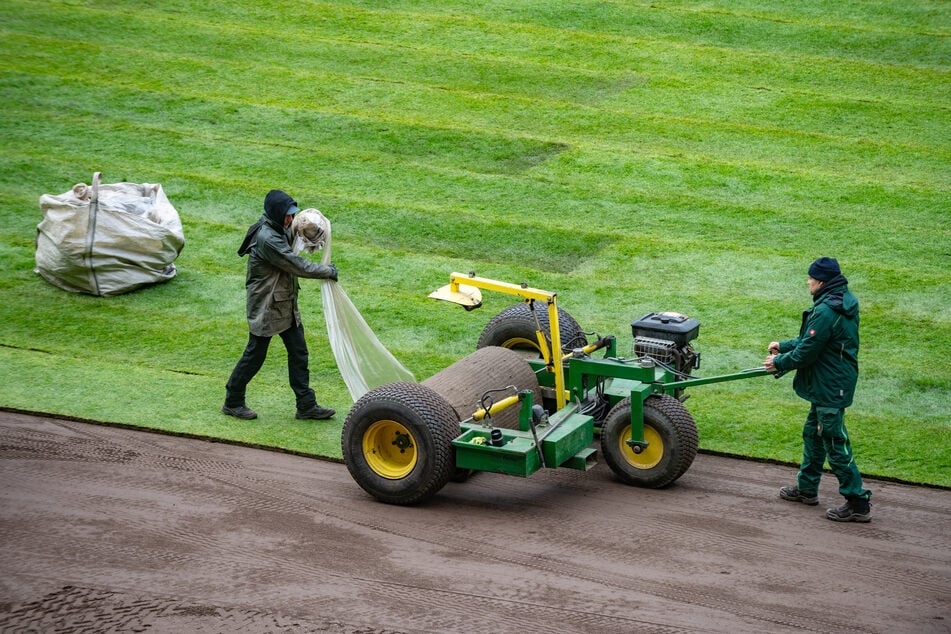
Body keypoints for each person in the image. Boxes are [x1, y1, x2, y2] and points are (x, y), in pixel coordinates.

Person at [764, 257, 872, 522]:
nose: (808, 282)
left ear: (821, 281)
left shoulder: (826, 311)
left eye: (811, 278)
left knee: (835, 443)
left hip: (830, 387)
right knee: (813, 435)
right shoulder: (841, 300)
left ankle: (858, 502)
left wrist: (778, 362)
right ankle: (807, 489)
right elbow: (811, 339)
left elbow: (807, 353)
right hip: (828, 383)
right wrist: (783, 346)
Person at [222, 189, 339, 421]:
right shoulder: (268, 238)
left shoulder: (277, 226)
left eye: (292, 215)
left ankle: (306, 405)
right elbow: (295, 264)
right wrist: (327, 271)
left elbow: (295, 237)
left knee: (299, 353)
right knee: (255, 356)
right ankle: (233, 401)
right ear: (276, 213)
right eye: (287, 215)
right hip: (267, 306)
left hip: (284, 302)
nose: (290, 219)